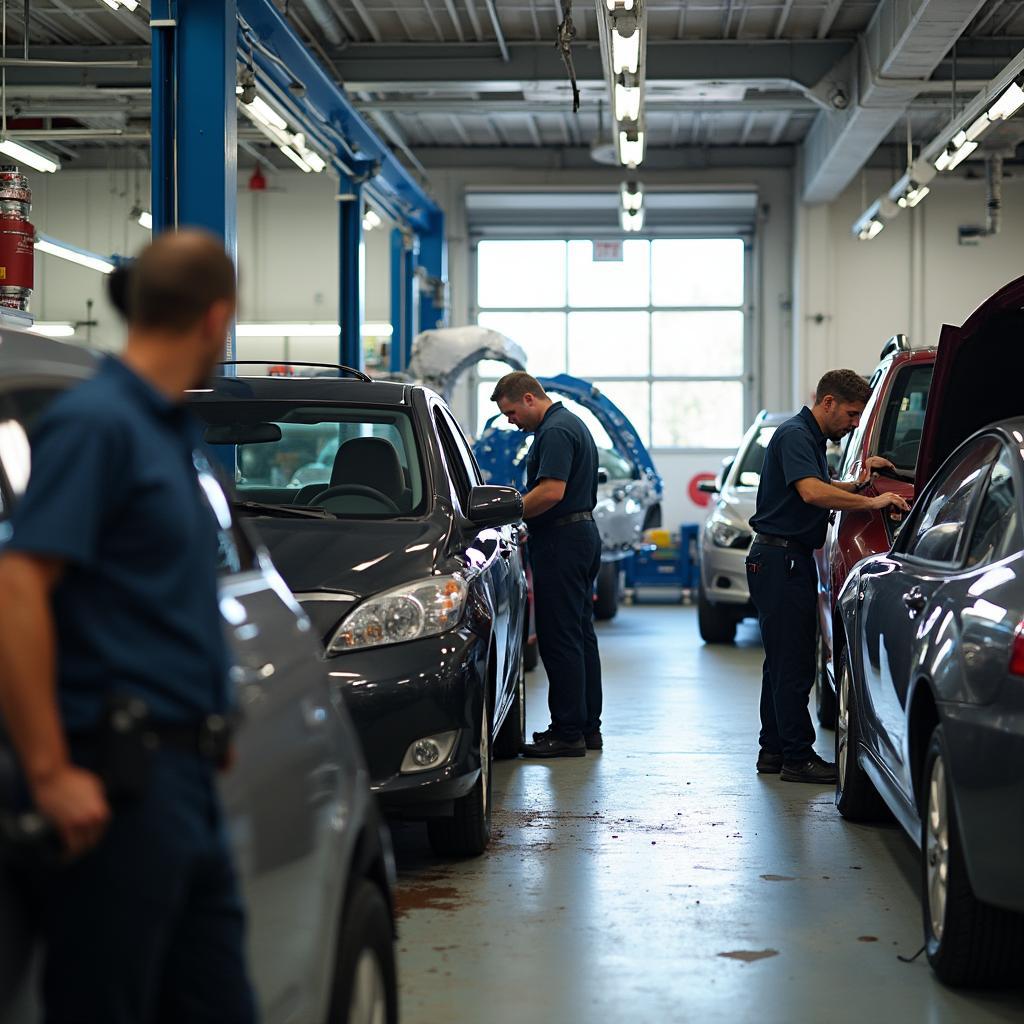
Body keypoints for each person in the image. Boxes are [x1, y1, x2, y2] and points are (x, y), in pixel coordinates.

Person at [0, 230, 256, 1022]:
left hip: (181, 772)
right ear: (216, 319)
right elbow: (17, 586)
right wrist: (49, 772)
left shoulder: (164, 431)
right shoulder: (99, 424)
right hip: (119, 787)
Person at [746, 369, 910, 784]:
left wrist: (860, 484)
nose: (855, 424)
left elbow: (822, 484)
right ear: (828, 402)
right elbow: (813, 493)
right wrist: (875, 504)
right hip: (782, 560)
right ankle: (798, 759)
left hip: (780, 558)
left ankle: (774, 749)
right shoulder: (796, 435)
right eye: (852, 415)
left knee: (780, 662)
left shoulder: (807, 437)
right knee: (794, 664)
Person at [490, 372, 603, 758]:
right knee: (580, 634)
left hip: (562, 541)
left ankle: (567, 732)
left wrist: (511, 511)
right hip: (579, 536)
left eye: (511, 413)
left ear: (528, 398)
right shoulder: (572, 423)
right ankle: (587, 728)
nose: (511, 421)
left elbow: (552, 492)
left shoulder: (554, 432)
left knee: (560, 637)